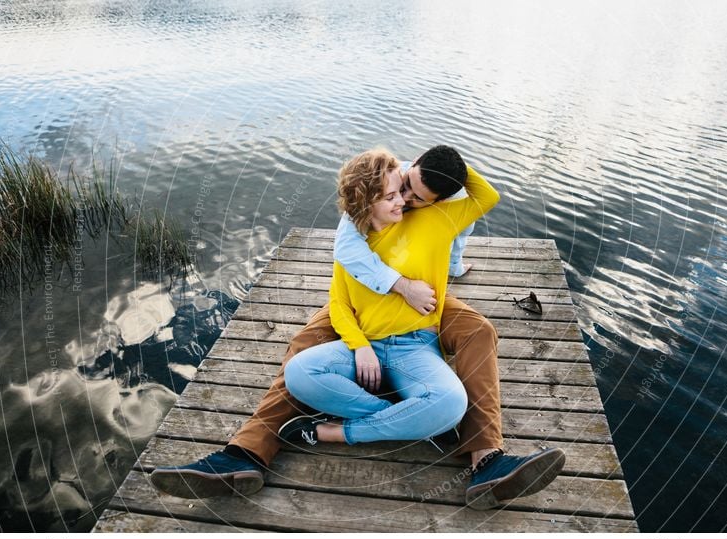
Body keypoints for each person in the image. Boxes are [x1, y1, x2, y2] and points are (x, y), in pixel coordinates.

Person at [150, 145, 565, 510]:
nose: (404, 199)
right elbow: (344, 273)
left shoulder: (435, 213)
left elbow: (478, 196)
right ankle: (247, 451)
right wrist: (397, 284)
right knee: (306, 343)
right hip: (363, 295)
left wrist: (441, 161)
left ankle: (485, 459)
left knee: (479, 331)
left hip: (420, 308)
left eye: (415, 195)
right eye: (399, 189)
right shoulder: (360, 220)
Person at [277, 148, 472, 448]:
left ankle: (334, 433)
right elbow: (339, 305)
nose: (404, 200)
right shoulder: (351, 249)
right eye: (392, 195)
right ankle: (409, 420)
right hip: (365, 347)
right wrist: (361, 347)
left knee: (450, 403)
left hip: (415, 348)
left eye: (403, 189)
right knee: (299, 373)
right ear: (366, 205)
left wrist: (425, 165)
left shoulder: (431, 221)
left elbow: (485, 195)